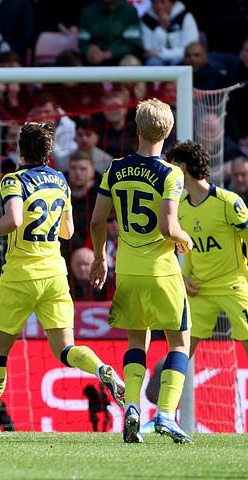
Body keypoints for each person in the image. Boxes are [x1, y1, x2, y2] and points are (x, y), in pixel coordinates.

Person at [0, 122, 125, 438]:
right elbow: (68, 231)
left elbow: (14, 219)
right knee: (65, 349)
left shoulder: (14, 180)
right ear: (48, 152)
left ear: (20, 151)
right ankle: (100, 368)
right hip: (55, 274)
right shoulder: (60, 180)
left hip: (20, 276)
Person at [89, 98, 194, 444]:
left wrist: (100, 258)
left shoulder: (115, 168)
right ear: (168, 131)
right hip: (162, 272)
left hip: (128, 270)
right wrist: (185, 239)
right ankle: (165, 414)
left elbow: (97, 221)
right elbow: (168, 227)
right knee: (179, 343)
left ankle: (132, 405)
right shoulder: (171, 173)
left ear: (136, 129)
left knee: (137, 340)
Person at [167, 141, 248, 359]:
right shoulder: (179, 208)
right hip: (198, 288)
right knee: (180, 350)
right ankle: (162, 382)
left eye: (172, 167)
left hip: (233, 285)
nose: (169, 174)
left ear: (182, 167)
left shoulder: (228, 202)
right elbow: (175, 249)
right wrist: (182, 277)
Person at [78, 0, 141, 66]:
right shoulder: (88, 11)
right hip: (94, 58)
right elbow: (82, 43)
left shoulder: (129, 11)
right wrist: (89, 50)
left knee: (131, 62)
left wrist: (107, 54)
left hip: (120, 58)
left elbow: (132, 44)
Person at [140, 0, 199, 66]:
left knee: (179, 62)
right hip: (157, 59)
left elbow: (189, 48)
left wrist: (161, 54)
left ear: (172, 3)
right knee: (153, 62)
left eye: (162, 2)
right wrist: (162, 28)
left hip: (178, 58)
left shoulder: (185, 16)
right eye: (155, 2)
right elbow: (149, 50)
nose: (158, 6)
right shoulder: (147, 19)